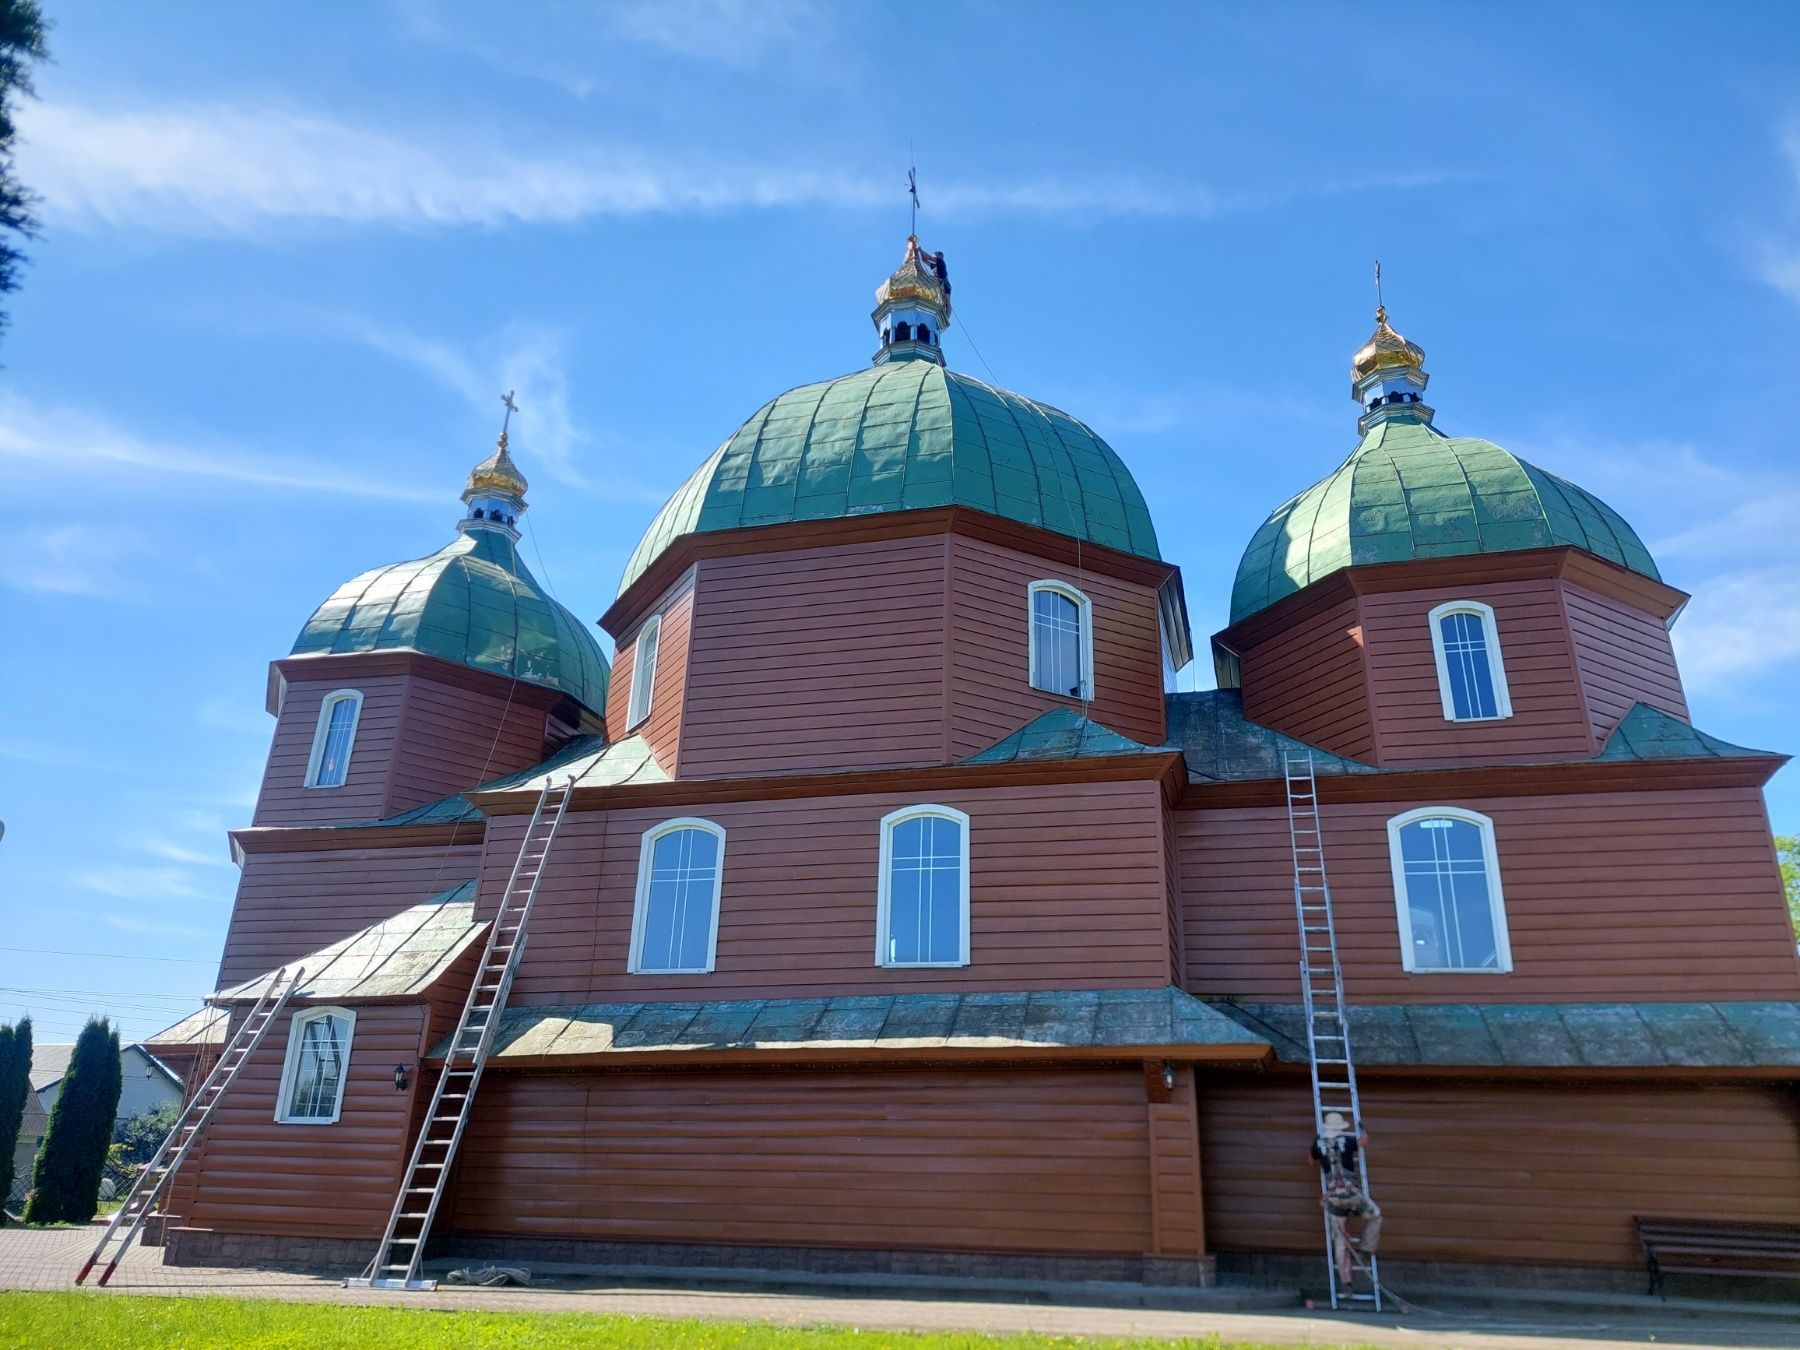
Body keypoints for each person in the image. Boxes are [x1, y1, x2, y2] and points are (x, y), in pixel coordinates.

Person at [1310, 1111, 1382, 1286]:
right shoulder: (1347, 1141)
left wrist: (1319, 1149)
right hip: (1353, 1196)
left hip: (1334, 1199)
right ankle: (1366, 1248)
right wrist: (1362, 1128)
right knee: (1376, 1215)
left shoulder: (1319, 1144)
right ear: (1340, 1128)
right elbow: (1364, 1140)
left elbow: (1311, 1161)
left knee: (1340, 1240)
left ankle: (1346, 1282)